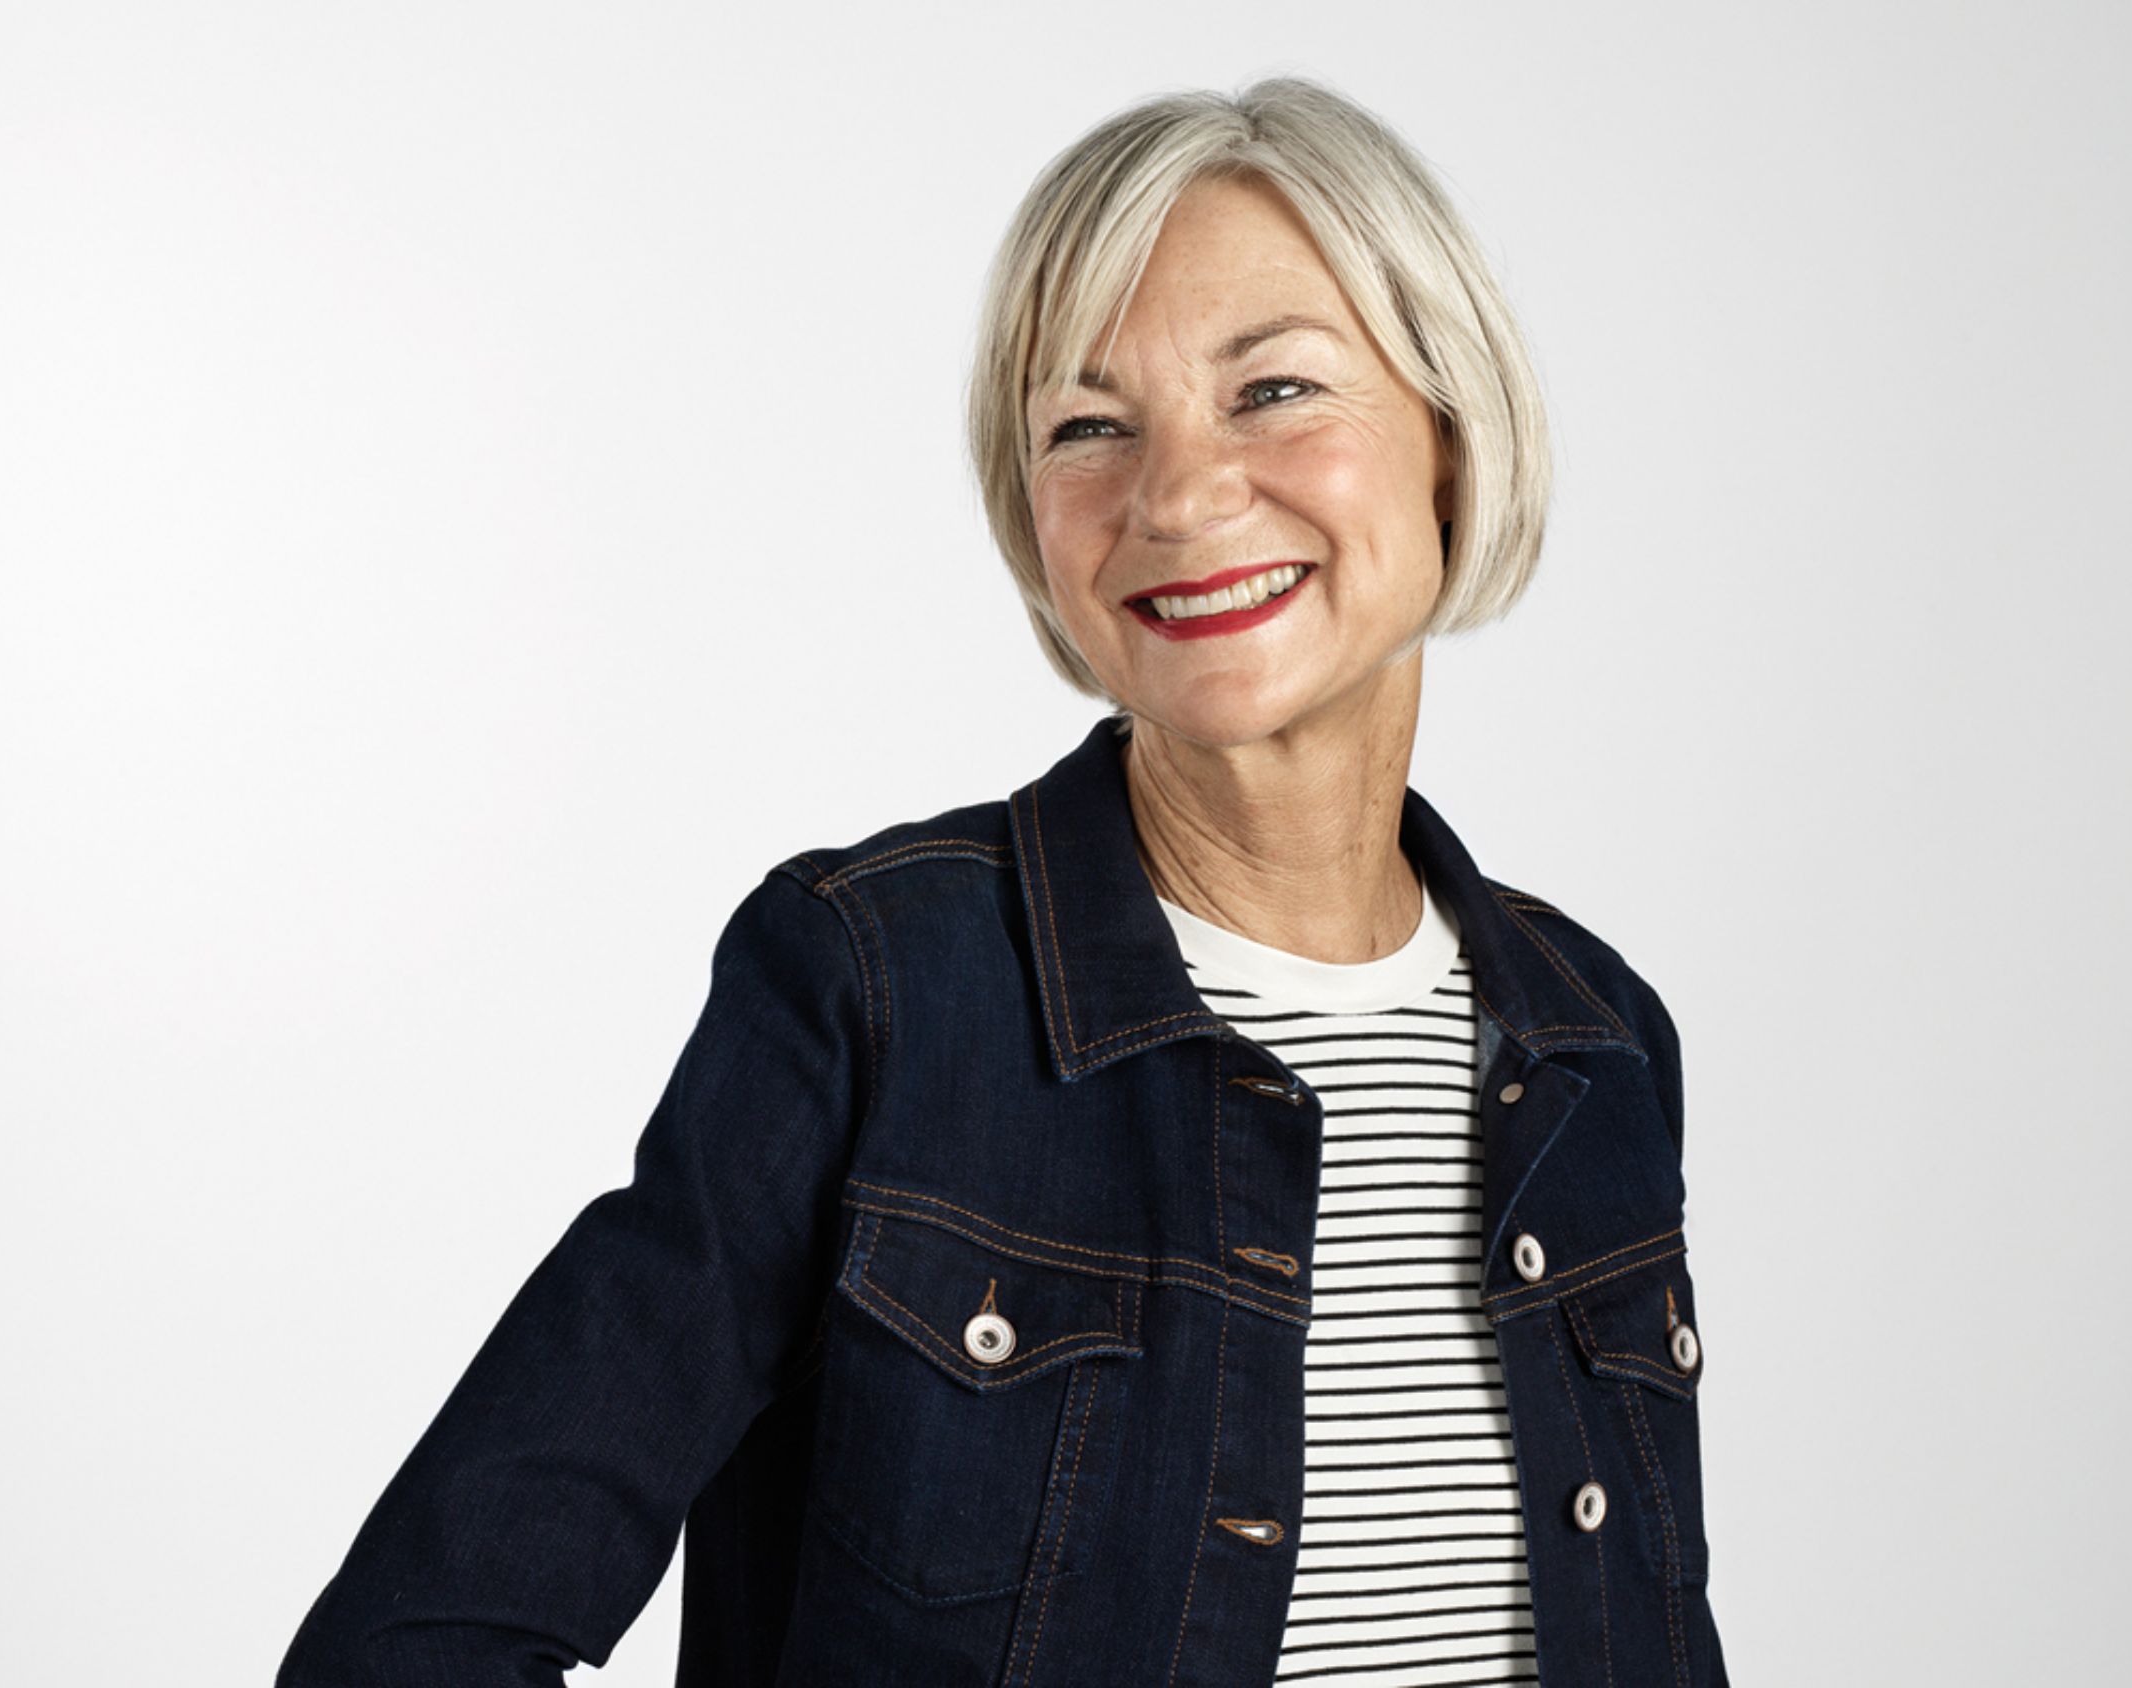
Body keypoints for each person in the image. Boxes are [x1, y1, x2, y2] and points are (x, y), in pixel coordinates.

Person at [277, 75, 1727, 1688]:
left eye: (1274, 392)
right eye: (1089, 427)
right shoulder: (874, 991)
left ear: (1453, 438)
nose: (1177, 497)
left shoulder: (1597, 1043)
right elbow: (418, 1640)